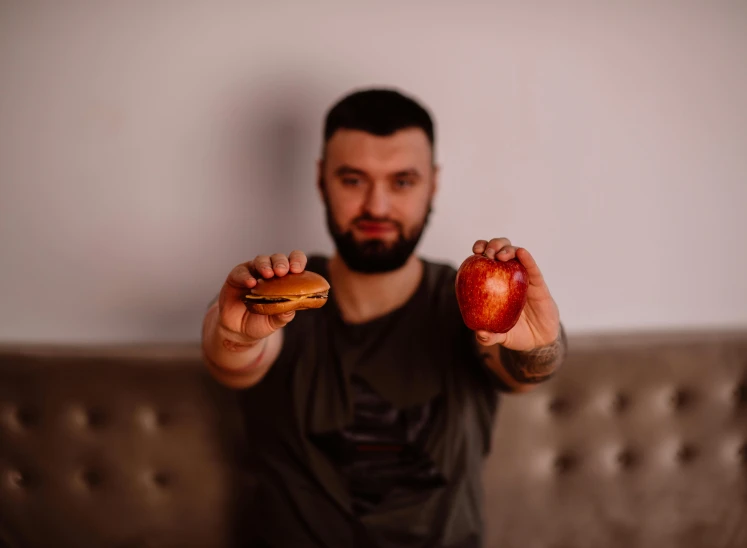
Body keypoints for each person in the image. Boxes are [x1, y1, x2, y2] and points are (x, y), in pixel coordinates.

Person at [201, 88, 566, 548]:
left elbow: (522, 373)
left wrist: (536, 345)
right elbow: (236, 360)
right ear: (321, 180)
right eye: (353, 180)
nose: (376, 206)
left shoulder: (466, 306)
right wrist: (235, 335)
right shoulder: (281, 300)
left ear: (433, 184)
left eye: (402, 182)